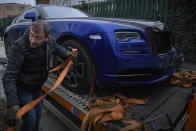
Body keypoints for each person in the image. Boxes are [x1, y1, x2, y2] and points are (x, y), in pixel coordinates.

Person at [2, 20, 75, 131]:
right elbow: (9, 77)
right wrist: (13, 103)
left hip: (37, 87)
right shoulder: (18, 48)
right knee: (30, 121)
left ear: (47, 38)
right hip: (23, 90)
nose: (32, 40)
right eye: (31, 35)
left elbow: (56, 48)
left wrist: (67, 54)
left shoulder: (49, 42)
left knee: (38, 116)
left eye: (37, 38)